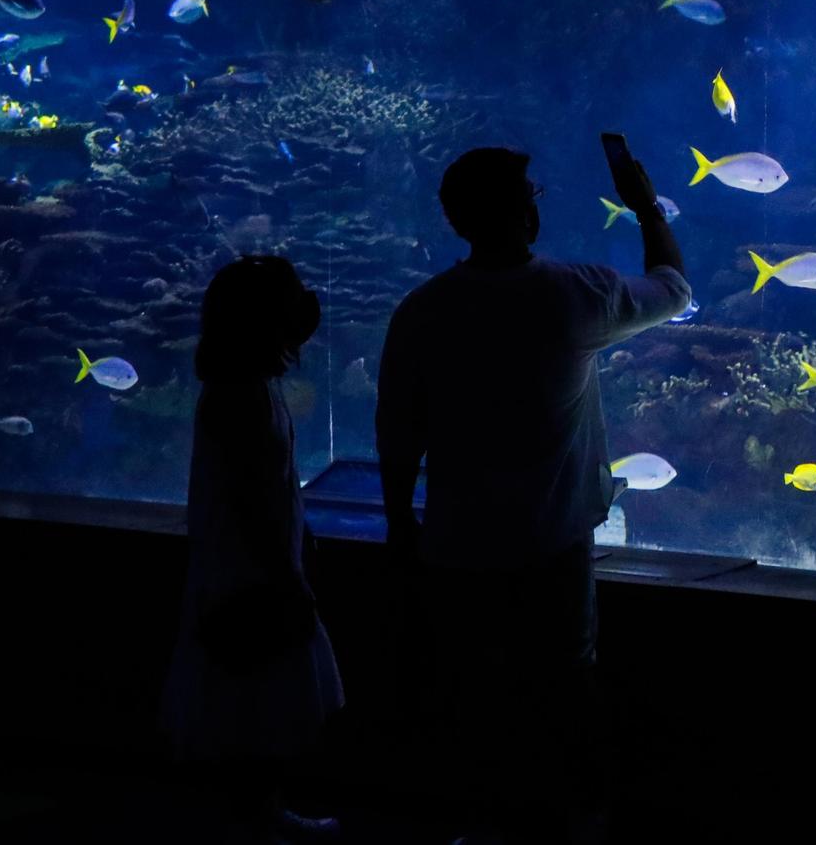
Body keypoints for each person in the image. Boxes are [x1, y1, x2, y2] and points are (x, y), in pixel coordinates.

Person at [376, 144, 688, 843]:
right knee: (565, 686)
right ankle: (572, 822)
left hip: (457, 547)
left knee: (474, 691)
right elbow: (673, 286)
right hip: (553, 544)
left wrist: (402, 527)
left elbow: (397, 436)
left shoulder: (421, 312)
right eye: (531, 194)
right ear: (525, 212)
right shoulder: (573, 294)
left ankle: (481, 822)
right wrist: (643, 203)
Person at [163, 254, 342, 845]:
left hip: (256, 560)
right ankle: (250, 818)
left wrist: (298, 536)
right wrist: (283, 573)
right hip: (250, 571)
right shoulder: (239, 394)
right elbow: (246, 493)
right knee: (253, 694)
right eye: (292, 295)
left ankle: (259, 811)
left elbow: (272, 481)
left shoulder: (252, 385)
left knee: (256, 697)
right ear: (265, 320)